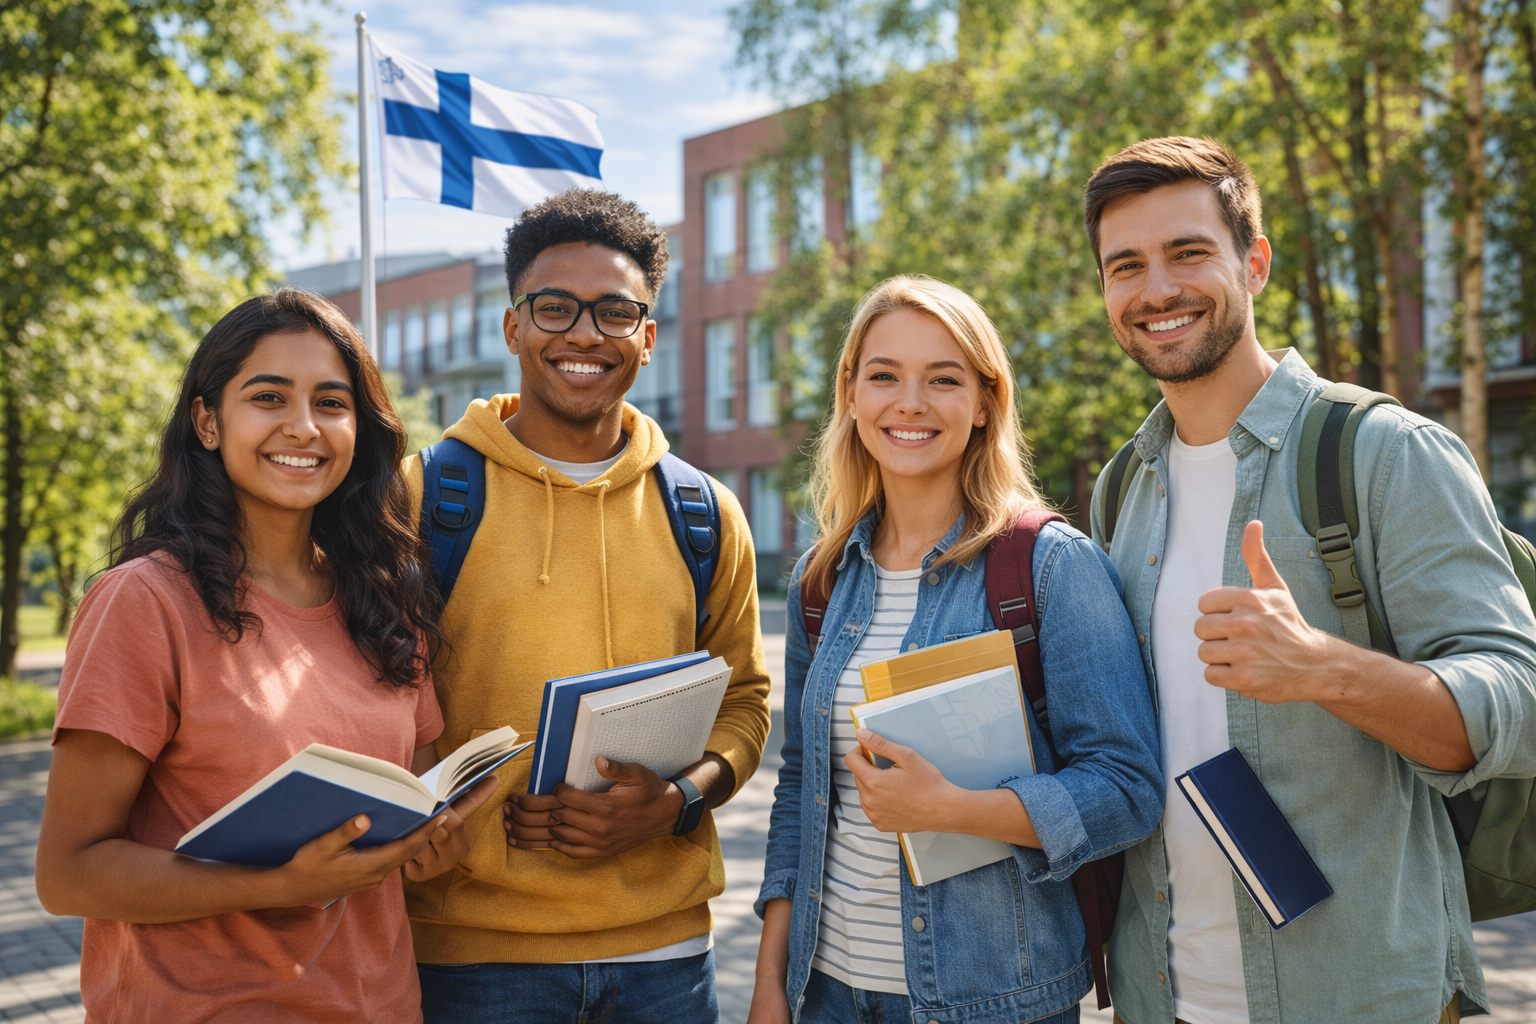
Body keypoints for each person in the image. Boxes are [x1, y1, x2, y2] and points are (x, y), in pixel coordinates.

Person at [1083, 136, 1536, 1024]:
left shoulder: (1384, 453)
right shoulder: (1122, 487)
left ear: (1253, 264)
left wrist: (1324, 668)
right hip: (1159, 993)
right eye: (1124, 265)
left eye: (1188, 253)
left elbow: (1518, 699)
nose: (1156, 289)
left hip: (1362, 992)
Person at [34, 289, 495, 1023]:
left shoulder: (385, 602)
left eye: (331, 402)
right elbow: (69, 874)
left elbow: (402, 810)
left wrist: (431, 848)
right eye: (269, 396)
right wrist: (277, 885)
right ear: (208, 421)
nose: (304, 427)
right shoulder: (145, 602)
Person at [747, 274, 1163, 1024]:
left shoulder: (1049, 566)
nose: (910, 402)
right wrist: (770, 981)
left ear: (983, 404)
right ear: (850, 394)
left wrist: (956, 809)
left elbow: (1129, 789)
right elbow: (802, 784)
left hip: (990, 1001)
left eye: (943, 379)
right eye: (884, 377)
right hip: (826, 992)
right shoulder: (822, 579)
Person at [402, 189, 771, 1024]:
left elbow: (746, 703)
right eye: (555, 308)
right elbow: (369, 695)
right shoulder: (425, 495)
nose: (582, 335)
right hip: (473, 957)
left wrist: (675, 801)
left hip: (667, 957)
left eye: (614, 312)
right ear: (513, 327)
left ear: (646, 337)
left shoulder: (704, 511)